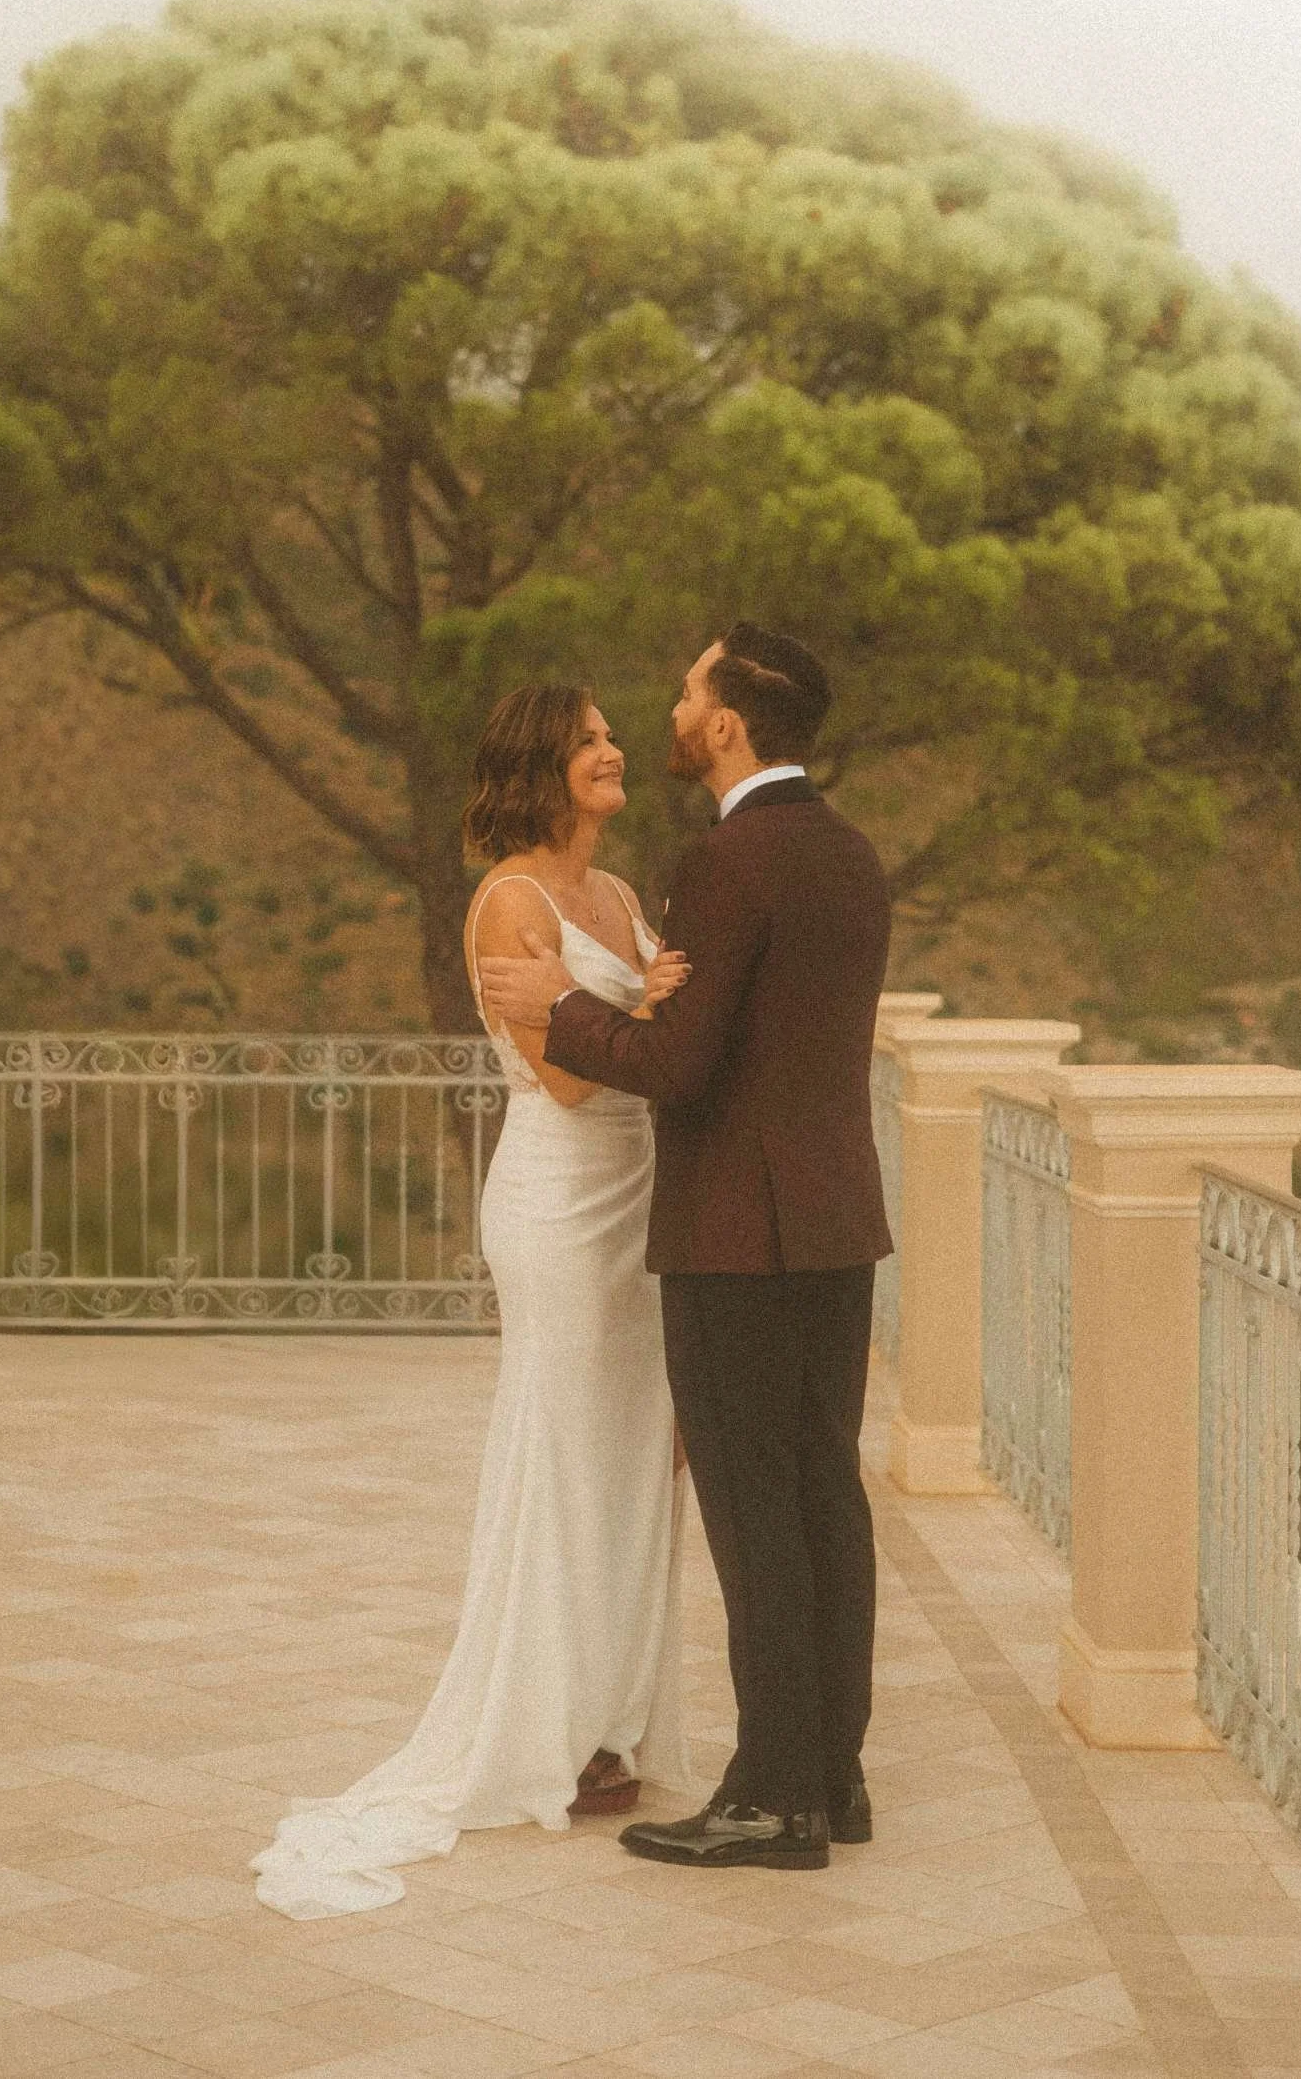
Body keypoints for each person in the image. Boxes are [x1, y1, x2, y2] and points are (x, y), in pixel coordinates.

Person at [251, 684, 693, 1920]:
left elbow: (639, 1031)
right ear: (543, 766)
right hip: (560, 1206)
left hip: (639, 1193)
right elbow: (560, 1078)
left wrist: (643, 1003)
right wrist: (652, 1003)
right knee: (564, 1444)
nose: (614, 753)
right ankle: (537, 1726)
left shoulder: (613, 895)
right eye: (593, 740)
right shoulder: (511, 895)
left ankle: (608, 1725)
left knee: (634, 1456)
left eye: (612, 738)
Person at [479, 623, 892, 1871]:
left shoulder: (729, 861)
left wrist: (557, 1012)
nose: (668, 709)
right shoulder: (851, 857)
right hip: (836, 1226)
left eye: (686, 692)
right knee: (826, 1494)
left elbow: (677, 1064)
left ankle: (771, 1798)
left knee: (755, 1511)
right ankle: (832, 1780)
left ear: (726, 723)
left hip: (733, 1237)